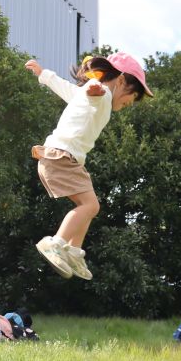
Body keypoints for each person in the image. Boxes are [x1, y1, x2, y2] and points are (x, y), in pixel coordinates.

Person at [27, 54, 153, 280]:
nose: (128, 104)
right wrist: (96, 86)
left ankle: (74, 251)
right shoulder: (102, 94)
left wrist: (44, 75)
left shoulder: (87, 95)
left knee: (91, 205)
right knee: (90, 206)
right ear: (121, 81)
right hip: (61, 157)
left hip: (64, 159)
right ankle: (55, 243)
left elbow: (65, 88)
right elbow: (95, 90)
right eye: (131, 97)